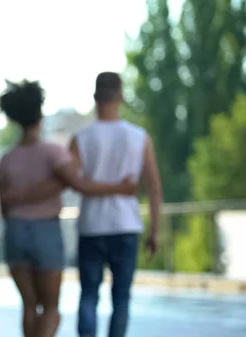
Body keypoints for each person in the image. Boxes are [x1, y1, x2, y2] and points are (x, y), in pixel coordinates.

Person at [0, 79, 138, 337]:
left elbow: (4, 205)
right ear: (40, 113)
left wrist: (22, 198)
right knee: (51, 309)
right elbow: (80, 184)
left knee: (29, 306)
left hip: (14, 232)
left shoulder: (6, 159)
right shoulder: (53, 153)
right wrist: (119, 188)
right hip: (46, 232)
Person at [70, 72, 162, 337]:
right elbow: (154, 187)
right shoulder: (139, 137)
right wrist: (154, 230)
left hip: (91, 226)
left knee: (88, 295)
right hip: (126, 225)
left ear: (95, 96)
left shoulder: (81, 139)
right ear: (121, 95)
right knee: (121, 298)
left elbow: (74, 182)